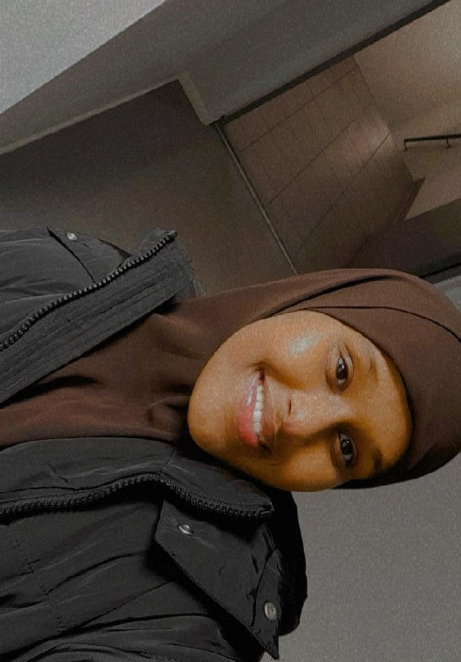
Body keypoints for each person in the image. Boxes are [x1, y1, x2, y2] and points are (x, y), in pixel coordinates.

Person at [0, 226, 459, 662]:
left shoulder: (199, 613)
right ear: (315, 301)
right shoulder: (81, 266)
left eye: (345, 449)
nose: (298, 423)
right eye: (341, 371)